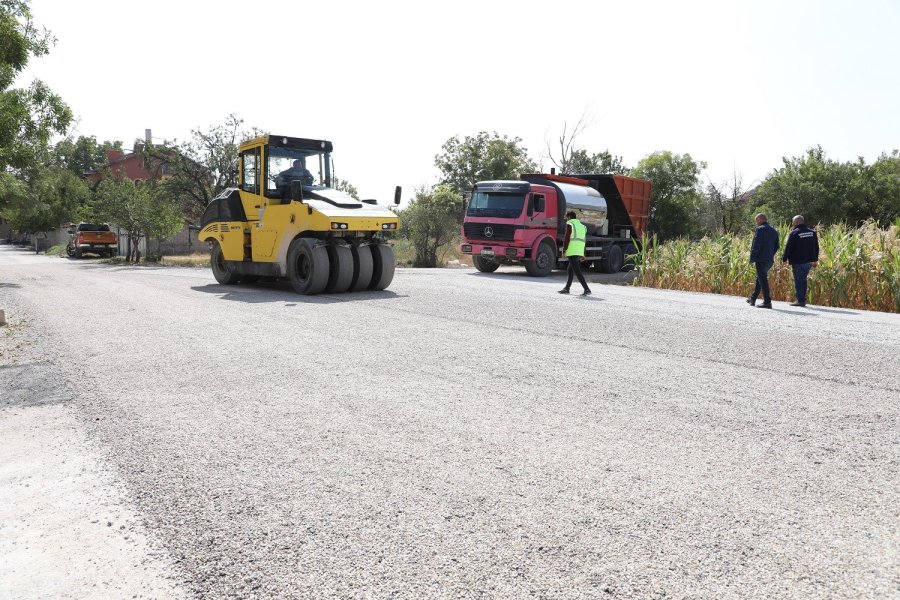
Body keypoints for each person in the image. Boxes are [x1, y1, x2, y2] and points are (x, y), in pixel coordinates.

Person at [782, 214, 819, 307]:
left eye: (793, 221)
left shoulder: (795, 233)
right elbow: (816, 247)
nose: (792, 223)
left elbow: (789, 247)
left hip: (798, 261)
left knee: (799, 280)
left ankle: (800, 301)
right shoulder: (812, 232)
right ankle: (802, 299)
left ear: (797, 222)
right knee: (803, 280)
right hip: (809, 261)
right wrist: (815, 260)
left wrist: (784, 258)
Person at [747, 213, 780, 309]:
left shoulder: (760, 229)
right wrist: (770, 254)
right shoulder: (774, 231)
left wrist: (752, 257)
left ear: (761, 219)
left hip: (761, 259)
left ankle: (767, 302)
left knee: (763, 280)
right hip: (769, 259)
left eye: (756, 220)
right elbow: (777, 246)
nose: (756, 222)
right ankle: (753, 299)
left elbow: (756, 244)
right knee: (760, 278)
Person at [558, 211, 591, 296]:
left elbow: (567, 238)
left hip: (572, 250)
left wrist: (564, 250)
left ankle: (587, 289)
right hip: (578, 250)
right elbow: (584, 240)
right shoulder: (583, 226)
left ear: (569, 217)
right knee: (570, 269)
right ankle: (567, 288)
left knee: (577, 271)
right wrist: (583, 253)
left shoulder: (570, 224)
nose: (565, 218)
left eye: (566, 217)